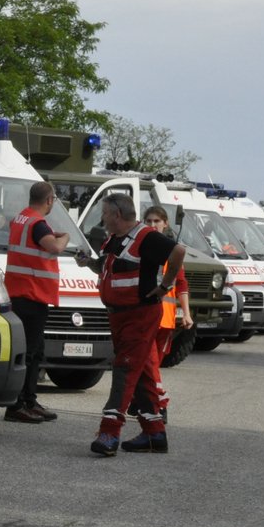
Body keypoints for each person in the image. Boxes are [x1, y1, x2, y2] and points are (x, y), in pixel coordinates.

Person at [82, 193, 185, 456]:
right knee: (141, 375)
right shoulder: (114, 238)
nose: (102, 219)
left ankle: (109, 432)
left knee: (125, 370)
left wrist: (165, 286)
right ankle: (155, 434)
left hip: (139, 315)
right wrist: (90, 264)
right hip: (119, 315)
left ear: (117, 215)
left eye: (104, 213)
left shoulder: (146, 237)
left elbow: (178, 251)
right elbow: (110, 268)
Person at [2, 182, 70, 424]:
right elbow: (54, 247)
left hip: (20, 292)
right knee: (30, 352)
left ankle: (29, 400)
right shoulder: (38, 224)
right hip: (32, 294)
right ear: (49, 200)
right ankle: (18, 405)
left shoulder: (21, 218)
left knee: (34, 350)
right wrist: (65, 237)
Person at [144, 205, 192, 377]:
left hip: (165, 319)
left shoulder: (173, 251)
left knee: (154, 364)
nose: (153, 224)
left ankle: (149, 399)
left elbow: (181, 283)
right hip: (144, 318)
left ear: (165, 224)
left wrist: (186, 313)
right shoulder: (138, 248)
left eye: (157, 221)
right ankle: (151, 400)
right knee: (147, 364)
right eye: (149, 221)